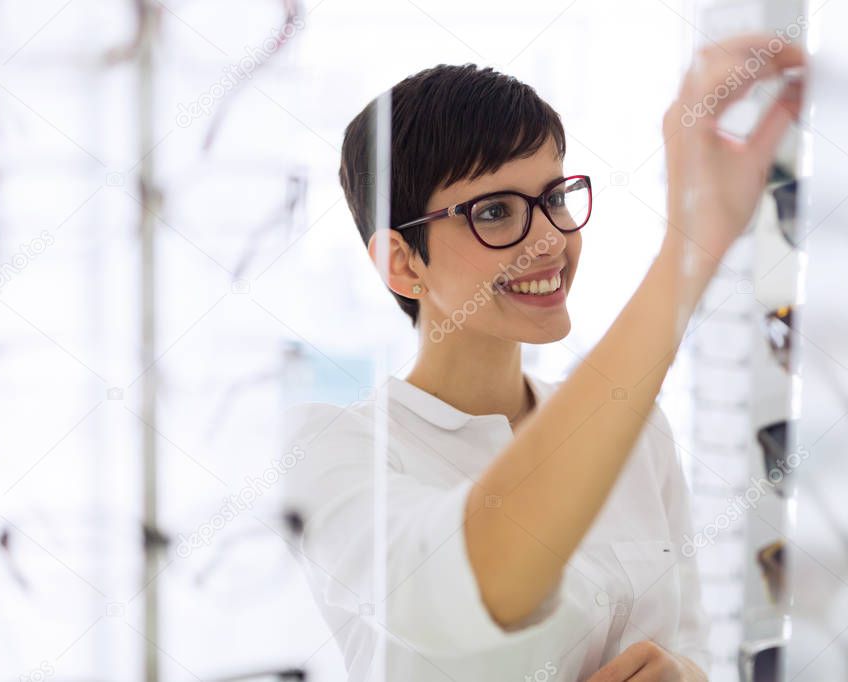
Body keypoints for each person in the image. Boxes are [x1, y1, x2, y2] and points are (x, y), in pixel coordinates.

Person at [279, 32, 805, 681]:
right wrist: (688, 252)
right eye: (495, 212)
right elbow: (467, 585)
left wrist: (685, 674)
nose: (549, 239)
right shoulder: (330, 448)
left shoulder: (638, 431)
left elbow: (691, 643)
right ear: (402, 262)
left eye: (554, 197)